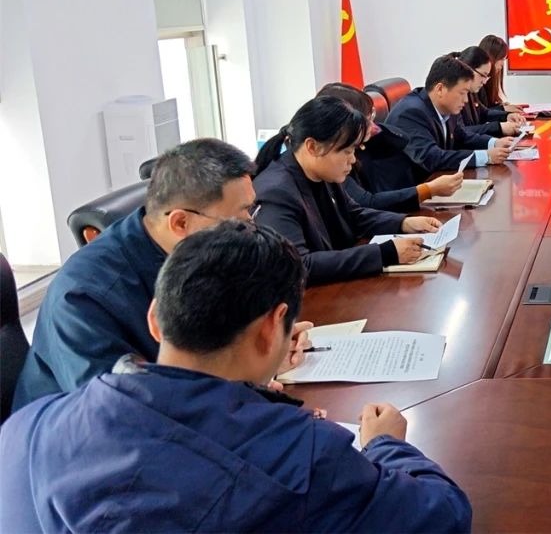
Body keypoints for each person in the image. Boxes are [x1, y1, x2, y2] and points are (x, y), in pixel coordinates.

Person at [0, 222, 472, 532]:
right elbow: (444, 515)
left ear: (155, 319)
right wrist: (387, 445)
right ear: (273, 326)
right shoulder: (305, 458)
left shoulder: (26, 427)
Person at [13, 139, 309, 409]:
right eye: (239, 220)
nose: (249, 231)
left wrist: (262, 349)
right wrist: (240, 380)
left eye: (250, 215)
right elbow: (121, 411)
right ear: (180, 223)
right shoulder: (83, 296)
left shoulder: (202, 260)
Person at [254, 96, 443, 285]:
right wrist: (385, 253)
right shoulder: (276, 192)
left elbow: (353, 215)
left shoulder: (322, 172)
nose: (353, 160)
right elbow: (299, 266)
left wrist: (403, 223)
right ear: (312, 147)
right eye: (347, 151)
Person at [317, 83, 464, 212]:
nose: (371, 124)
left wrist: (375, 129)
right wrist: (428, 190)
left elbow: (402, 140)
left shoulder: (368, 141)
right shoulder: (334, 159)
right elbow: (366, 203)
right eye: (366, 119)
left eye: (371, 116)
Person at [386, 55, 514, 175]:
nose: (466, 100)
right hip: (412, 186)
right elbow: (432, 158)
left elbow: (462, 137)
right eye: (462, 93)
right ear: (440, 89)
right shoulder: (411, 113)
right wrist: (486, 156)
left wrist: (494, 143)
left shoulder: (446, 108)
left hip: (437, 180)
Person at [453, 47, 526, 137]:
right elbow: (460, 132)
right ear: (469, 69)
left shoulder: (471, 92)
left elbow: (483, 112)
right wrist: (498, 128)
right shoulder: (453, 95)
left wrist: (507, 116)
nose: (484, 82)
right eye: (483, 75)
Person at [477, 33, 521, 114]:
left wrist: (500, 107)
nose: (502, 64)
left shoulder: (488, 81)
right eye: (501, 59)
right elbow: (482, 114)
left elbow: (486, 109)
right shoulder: (476, 84)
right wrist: (503, 109)